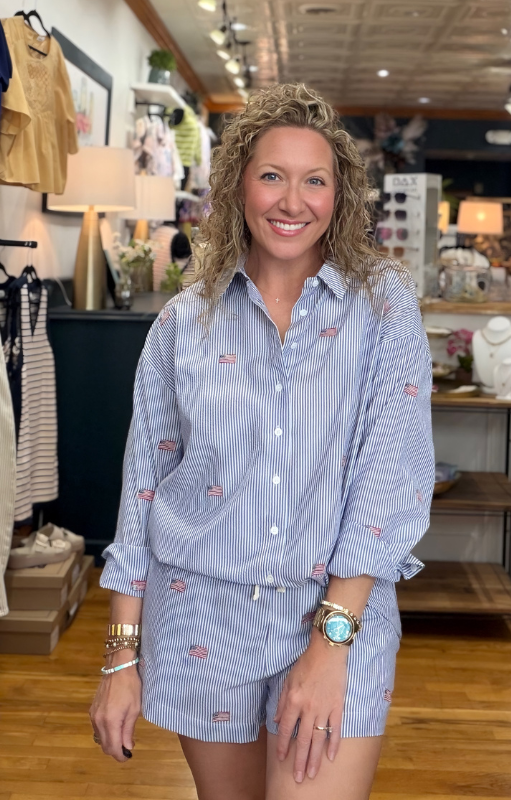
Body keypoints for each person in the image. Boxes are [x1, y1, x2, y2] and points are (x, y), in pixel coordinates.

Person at [90, 82, 434, 800]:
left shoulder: (383, 308)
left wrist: (331, 643)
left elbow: (386, 480)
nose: (292, 200)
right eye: (272, 175)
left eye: (315, 181)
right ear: (238, 184)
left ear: (338, 196)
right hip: (202, 618)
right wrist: (120, 659)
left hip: (338, 615)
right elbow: (142, 491)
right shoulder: (181, 327)